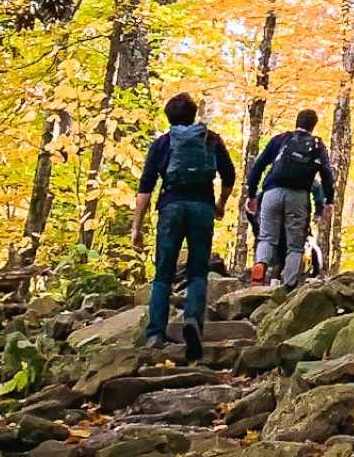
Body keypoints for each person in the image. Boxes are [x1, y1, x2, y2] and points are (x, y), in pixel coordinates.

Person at [132, 92, 236, 362]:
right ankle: (192, 321)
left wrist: (137, 226)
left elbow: (145, 187)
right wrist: (221, 204)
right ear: (193, 115)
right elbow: (229, 174)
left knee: (163, 275)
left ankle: (155, 333)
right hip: (202, 207)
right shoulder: (211, 139)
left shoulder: (162, 143)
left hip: (171, 207)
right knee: (198, 272)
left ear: (169, 118)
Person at [244, 109, 334, 286]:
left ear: (297, 122)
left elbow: (258, 166)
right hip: (298, 197)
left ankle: (260, 266)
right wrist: (328, 201)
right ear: (313, 126)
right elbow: (327, 174)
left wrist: (252, 194)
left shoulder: (280, 139)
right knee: (295, 245)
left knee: (267, 237)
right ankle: (288, 285)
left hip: (271, 192)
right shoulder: (317, 145)